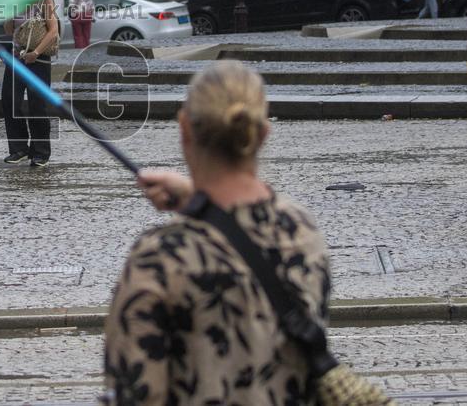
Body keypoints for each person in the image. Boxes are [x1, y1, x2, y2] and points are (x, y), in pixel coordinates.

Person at [102, 61, 330, 405]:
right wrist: (198, 196)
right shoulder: (302, 232)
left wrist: (200, 199)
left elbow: (135, 394)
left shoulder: (159, 261)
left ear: (184, 129)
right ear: (263, 133)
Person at [1, 0, 59, 167]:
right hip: (17, 57)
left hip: (38, 59)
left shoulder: (44, 0)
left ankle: (40, 152)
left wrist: (36, 52)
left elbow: (53, 30)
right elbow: (8, 30)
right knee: (9, 100)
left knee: (37, 105)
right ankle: (19, 148)